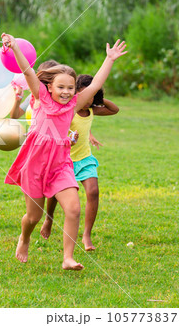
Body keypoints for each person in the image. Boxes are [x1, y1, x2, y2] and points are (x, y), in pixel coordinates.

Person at [1, 32, 127, 270]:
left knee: (73, 208)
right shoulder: (41, 97)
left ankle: (68, 258)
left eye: (70, 88)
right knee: (33, 217)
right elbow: (28, 71)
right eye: (61, 87)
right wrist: (16, 46)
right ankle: (24, 237)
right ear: (49, 86)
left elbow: (97, 84)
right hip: (35, 163)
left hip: (60, 164)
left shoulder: (75, 104)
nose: (67, 92)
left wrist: (109, 59)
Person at [40, 74, 119, 251]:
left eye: (91, 95)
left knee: (93, 191)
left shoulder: (91, 110)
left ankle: (86, 235)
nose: (87, 99)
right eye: (83, 95)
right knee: (53, 195)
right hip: (63, 159)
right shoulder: (68, 109)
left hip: (84, 159)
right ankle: (49, 218)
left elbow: (115, 110)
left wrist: (97, 96)